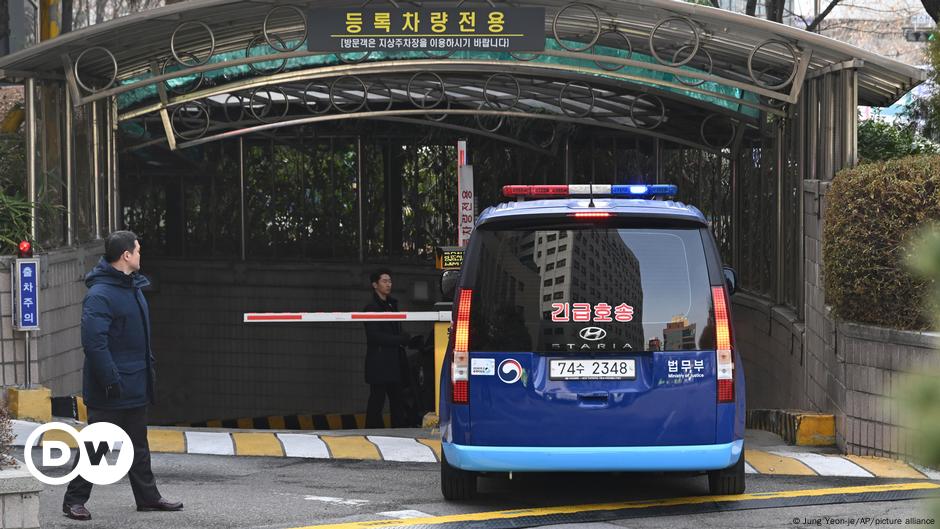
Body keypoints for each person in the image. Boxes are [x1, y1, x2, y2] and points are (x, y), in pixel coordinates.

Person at [62, 231, 183, 521]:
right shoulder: (100, 295)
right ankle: (73, 501)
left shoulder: (133, 288)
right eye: (138, 250)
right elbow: (94, 343)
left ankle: (148, 498)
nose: (140, 255)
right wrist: (110, 380)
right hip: (111, 387)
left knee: (137, 444)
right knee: (98, 444)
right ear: (126, 255)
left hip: (136, 381)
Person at [363, 269, 421, 428]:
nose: (388, 284)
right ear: (375, 285)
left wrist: (403, 338)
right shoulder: (371, 308)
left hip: (395, 362)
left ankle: (399, 429)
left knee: (397, 399)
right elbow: (374, 336)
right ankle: (373, 431)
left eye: (390, 281)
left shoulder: (392, 304)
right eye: (384, 281)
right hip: (380, 363)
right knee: (377, 399)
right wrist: (400, 340)